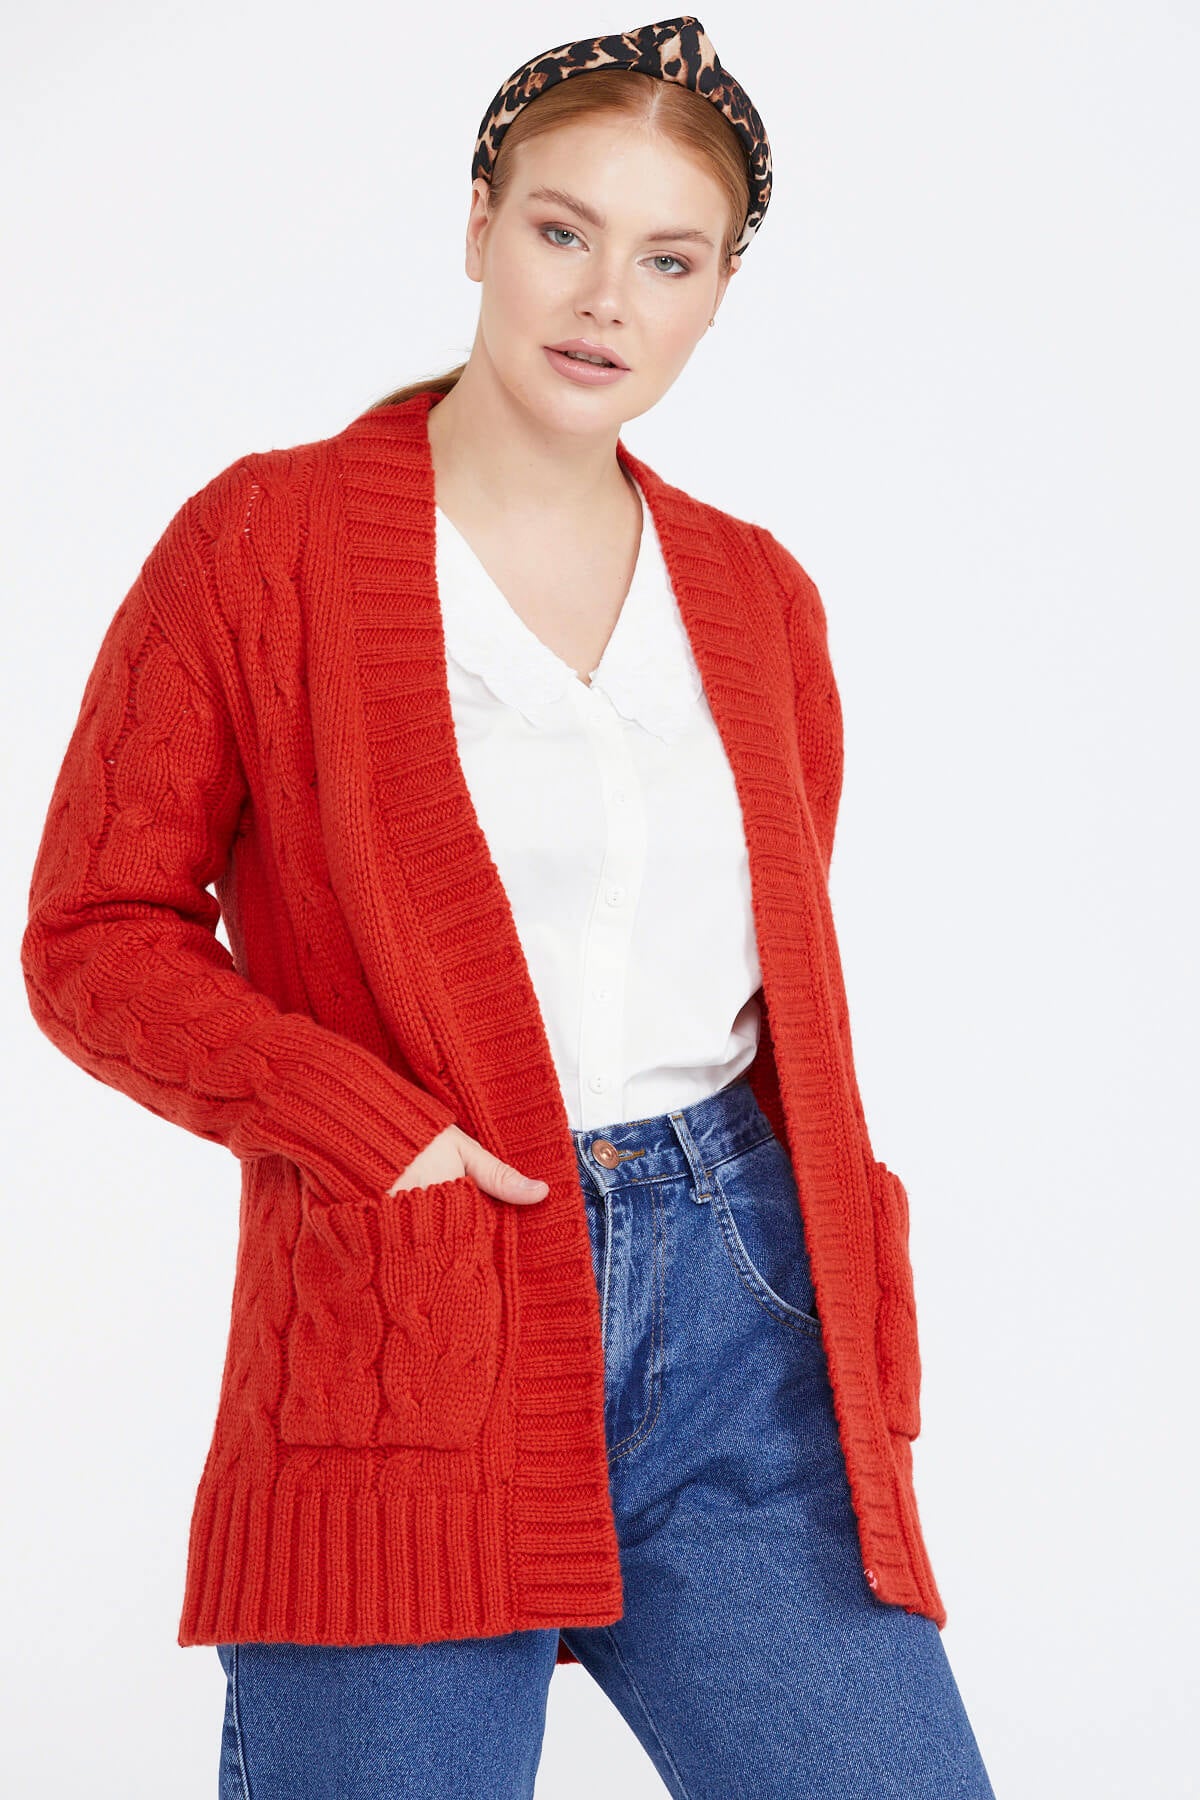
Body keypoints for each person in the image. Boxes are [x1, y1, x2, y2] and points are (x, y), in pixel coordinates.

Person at [19, 15, 997, 1798]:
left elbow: (769, 990)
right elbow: (95, 932)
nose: (606, 299)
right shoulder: (262, 548)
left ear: (720, 293)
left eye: (670, 260)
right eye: (563, 230)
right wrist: (364, 1126)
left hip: (747, 1324)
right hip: (413, 1321)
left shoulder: (760, 601)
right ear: (479, 224)